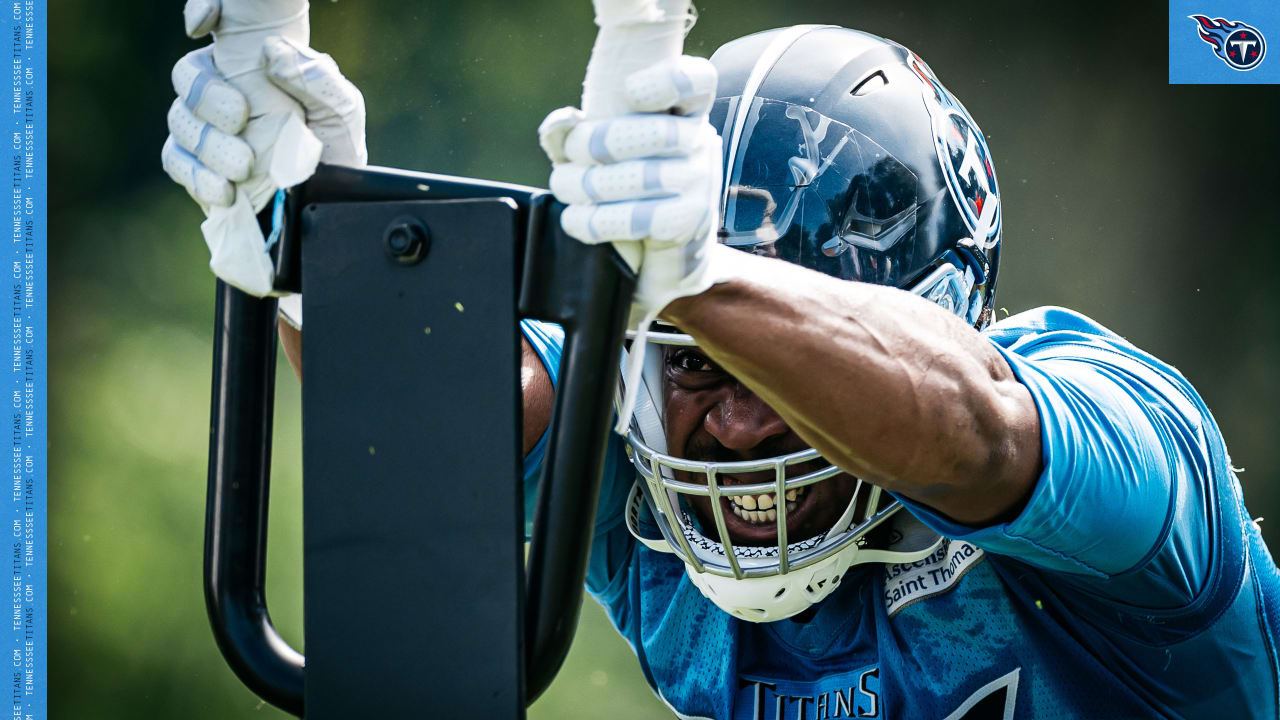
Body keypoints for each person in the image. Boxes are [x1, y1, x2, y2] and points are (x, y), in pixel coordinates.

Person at [162, 12, 1280, 720]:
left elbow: (979, 431)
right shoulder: (626, 442)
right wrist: (318, 249)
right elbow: (433, 434)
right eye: (693, 369)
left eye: (776, 372)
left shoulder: (1129, 444)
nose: (736, 429)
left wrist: (698, 279)